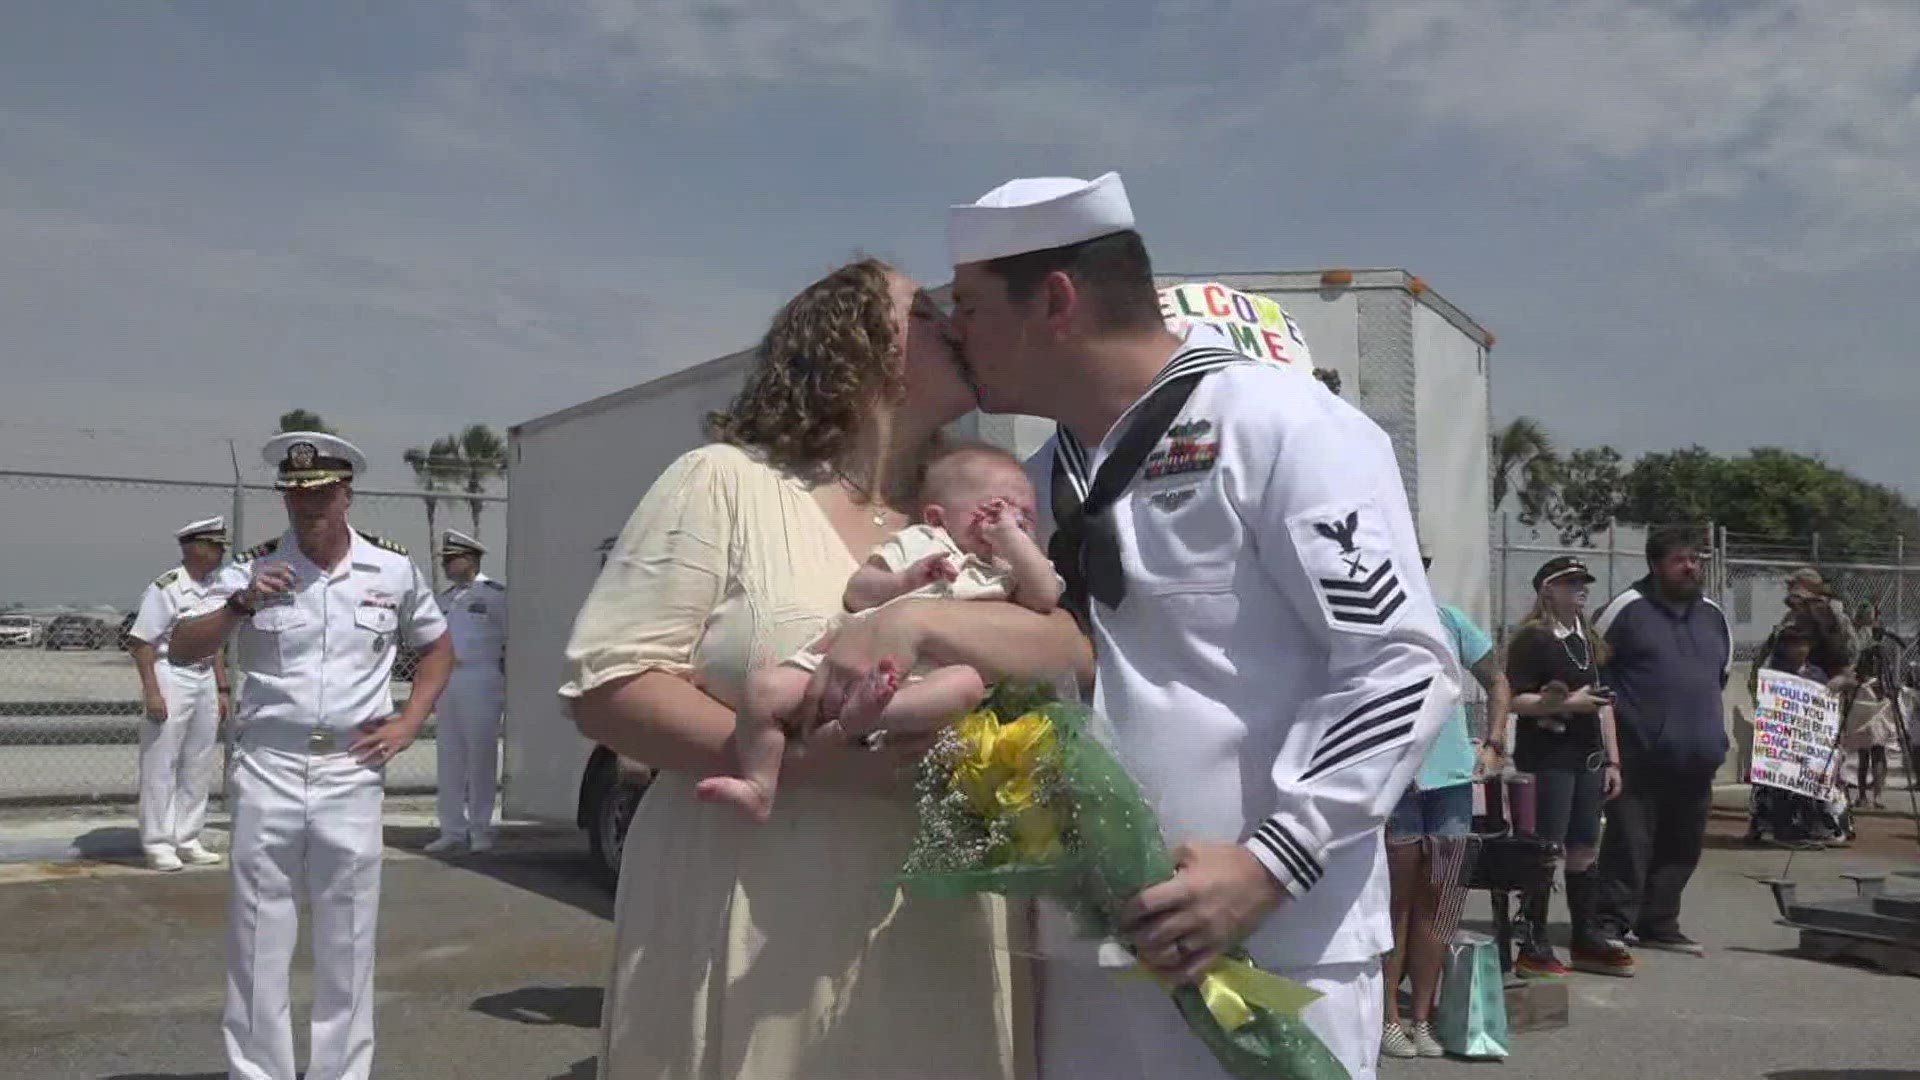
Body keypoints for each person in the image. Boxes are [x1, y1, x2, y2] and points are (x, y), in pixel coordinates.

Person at [924, 171, 1456, 1080]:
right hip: (1090, 949)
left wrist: (1268, 863)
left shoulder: (1281, 425)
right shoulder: (1042, 477)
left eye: (969, 306)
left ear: (1055, 300)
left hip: (1272, 946)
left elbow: (1402, 665)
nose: (954, 332)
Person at [559, 258, 1091, 1080]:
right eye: (927, 311)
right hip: (761, 919)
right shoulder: (725, 482)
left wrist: (917, 619)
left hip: (942, 932)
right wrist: (799, 766)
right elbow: (610, 686)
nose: (956, 320)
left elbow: (1069, 648)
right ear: (852, 343)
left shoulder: (967, 516)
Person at [169, 431, 454, 1080]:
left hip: (351, 772)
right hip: (268, 768)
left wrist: (411, 721)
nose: (308, 507)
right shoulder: (252, 567)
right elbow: (184, 646)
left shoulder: (392, 570)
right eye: (296, 496)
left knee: (348, 941)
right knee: (257, 940)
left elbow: (438, 649)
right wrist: (240, 605)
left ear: (346, 494)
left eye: (321, 494)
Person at [696, 443, 1061, 821]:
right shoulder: (924, 543)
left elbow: (1045, 597)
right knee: (763, 690)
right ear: (938, 518)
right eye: (993, 509)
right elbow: (858, 592)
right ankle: (759, 783)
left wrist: (1015, 543)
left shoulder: (1011, 573)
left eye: (1026, 517)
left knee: (966, 685)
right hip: (846, 664)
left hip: (924, 681)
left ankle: (870, 716)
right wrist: (905, 579)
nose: (1011, 520)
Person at [1381, 547, 1510, 1059]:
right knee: (1397, 904)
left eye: (1424, 563)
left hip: (1452, 782)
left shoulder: (1450, 621)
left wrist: (1494, 741)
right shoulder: (1379, 621)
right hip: (1396, 783)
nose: (1417, 571)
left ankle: (1422, 1017)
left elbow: (1498, 680)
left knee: (1442, 903)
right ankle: (1388, 1015)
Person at [1585, 526, 1732, 962]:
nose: (1690, 567)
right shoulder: (1624, 611)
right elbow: (1593, 675)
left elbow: (1719, 675)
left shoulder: (1712, 615)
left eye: (1696, 559)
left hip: (1697, 756)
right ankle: (1610, 923)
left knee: (1682, 845)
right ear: (1655, 565)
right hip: (1638, 757)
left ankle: (1660, 923)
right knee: (1629, 844)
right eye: (1679, 560)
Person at [1503, 555, 1627, 979]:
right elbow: (1514, 699)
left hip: (1587, 756)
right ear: (1547, 591)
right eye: (1571, 582)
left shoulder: (1587, 640)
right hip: (1548, 757)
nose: (1581, 588)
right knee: (1546, 847)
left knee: (1585, 846)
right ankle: (1533, 939)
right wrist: (1565, 704)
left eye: (1583, 582)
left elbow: (1604, 703)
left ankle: (1585, 935)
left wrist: (1613, 758)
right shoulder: (1533, 640)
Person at [125, 515, 234, 872]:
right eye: (214, 546)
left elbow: (214, 641)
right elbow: (141, 642)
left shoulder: (217, 588)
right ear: (194, 548)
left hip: (203, 676)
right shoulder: (167, 587)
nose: (220, 553)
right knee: (162, 762)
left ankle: (187, 837)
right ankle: (158, 842)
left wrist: (220, 686)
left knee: (198, 761)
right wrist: (152, 692)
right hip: (170, 672)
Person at [1747, 568, 1856, 848]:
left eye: (1794, 586)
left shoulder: (1823, 615)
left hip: (1810, 703)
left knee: (1815, 766)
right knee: (1778, 763)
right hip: (1784, 702)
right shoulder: (1793, 617)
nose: (1790, 593)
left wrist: (1835, 682)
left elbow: (1844, 662)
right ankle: (1775, 821)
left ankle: (1820, 823)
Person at [426, 528, 509, 855]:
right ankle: (451, 829)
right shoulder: (444, 600)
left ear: (471, 559)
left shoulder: (494, 595)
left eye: (453, 559)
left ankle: (480, 829)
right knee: (449, 757)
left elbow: (510, 638)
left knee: (480, 756)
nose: (447, 565)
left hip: (481, 677)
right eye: (445, 561)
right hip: (448, 681)